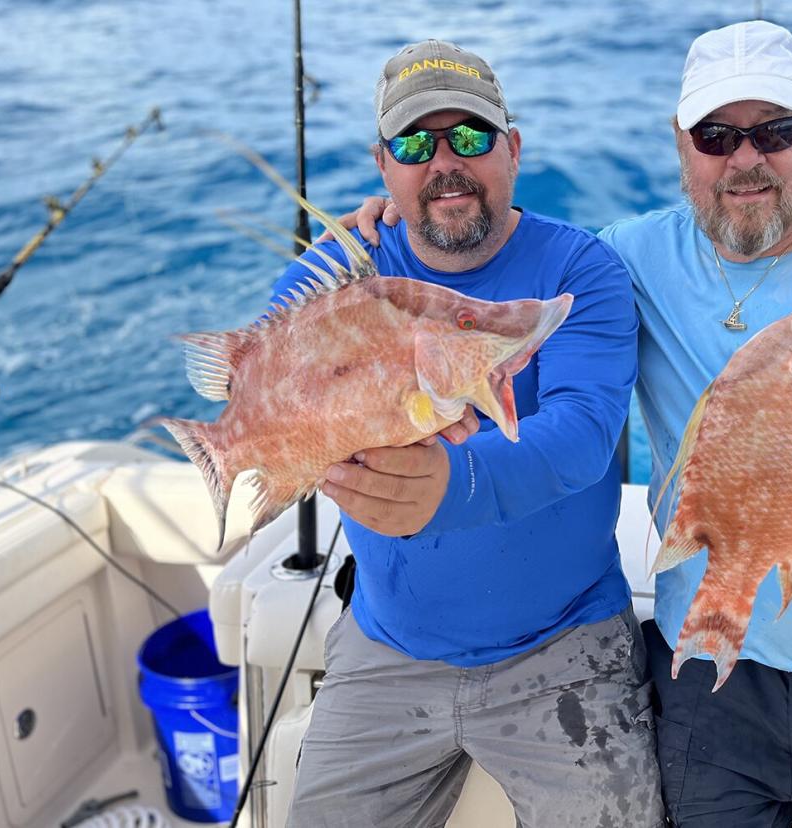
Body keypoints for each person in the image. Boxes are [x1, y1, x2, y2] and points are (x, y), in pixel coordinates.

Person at [343, 21, 792, 828]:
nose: (745, 159)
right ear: (683, 145)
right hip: (705, 673)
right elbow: (509, 267)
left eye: (773, 131)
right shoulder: (628, 259)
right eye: (716, 136)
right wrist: (401, 229)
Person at [274, 39, 662, 828]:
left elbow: (584, 433)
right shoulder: (341, 271)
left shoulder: (579, 270)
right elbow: (272, 393)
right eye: (417, 144)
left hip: (567, 651)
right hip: (387, 646)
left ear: (512, 150)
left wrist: (455, 485)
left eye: (471, 137)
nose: (445, 161)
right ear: (384, 166)